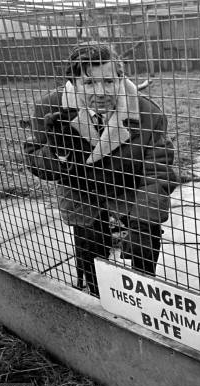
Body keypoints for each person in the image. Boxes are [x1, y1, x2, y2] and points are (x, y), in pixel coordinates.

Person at [23, 42, 177, 297]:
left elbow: (158, 169)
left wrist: (143, 219)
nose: (102, 91)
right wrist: (59, 151)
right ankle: (95, 293)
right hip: (79, 187)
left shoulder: (148, 112)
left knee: (146, 237)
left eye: (109, 81)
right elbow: (36, 164)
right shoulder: (49, 107)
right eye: (90, 83)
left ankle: (144, 291)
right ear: (73, 83)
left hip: (128, 184)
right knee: (90, 242)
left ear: (120, 77)